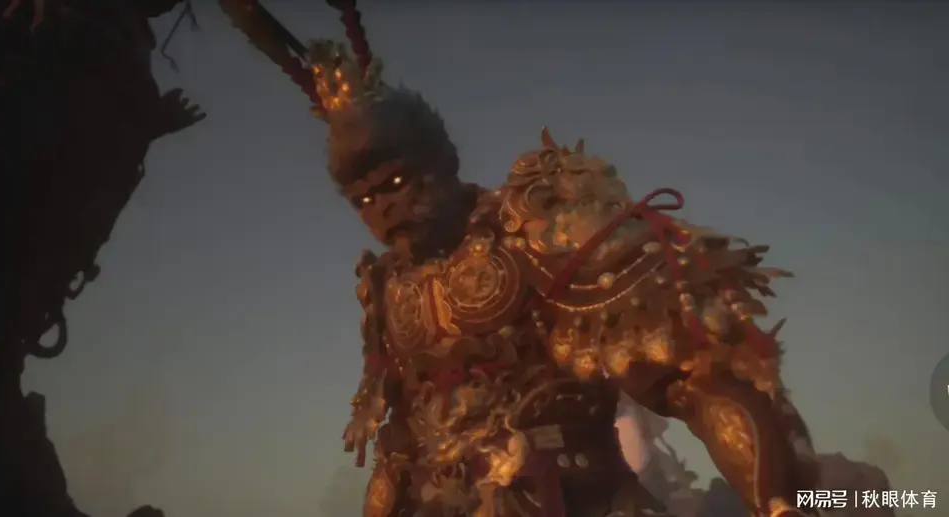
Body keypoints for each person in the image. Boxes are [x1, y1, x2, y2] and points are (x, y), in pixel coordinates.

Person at [220, 2, 820, 516]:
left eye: (397, 181)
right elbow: (400, 443)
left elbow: (690, 379)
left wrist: (778, 501)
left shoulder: (532, 226)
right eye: (364, 199)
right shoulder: (388, 287)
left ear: (441, 160)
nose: (385, 208)